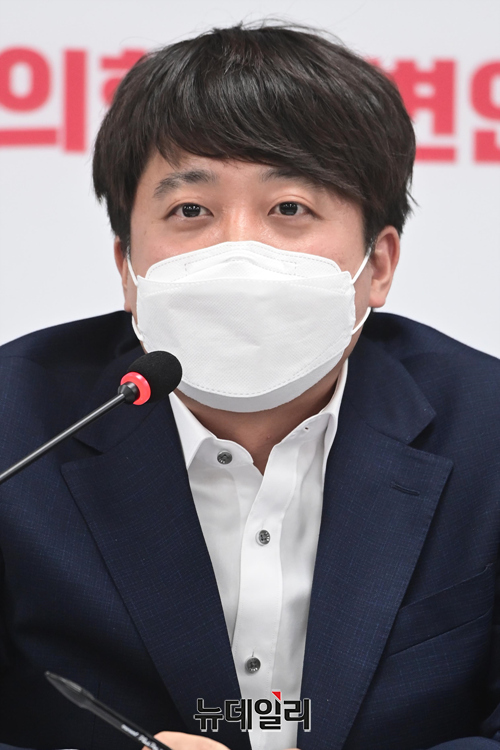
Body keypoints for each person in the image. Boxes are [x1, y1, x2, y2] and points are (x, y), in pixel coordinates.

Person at [0, 21, 499, 750]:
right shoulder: (16, 427)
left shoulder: (487, 428)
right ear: (127, 269)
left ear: (379, 265)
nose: (238, 250)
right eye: (190, 211)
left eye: (289, 208)